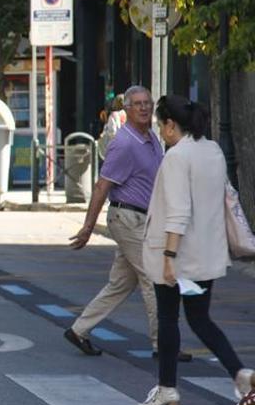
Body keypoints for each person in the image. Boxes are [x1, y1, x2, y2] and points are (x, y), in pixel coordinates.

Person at [136, 95, 252, 405]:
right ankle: (239, 372)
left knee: (168, 319)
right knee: (200, 318)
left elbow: (178, 211)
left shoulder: (177, 157)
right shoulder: (212, 150)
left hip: (176, 255)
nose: (160, 132)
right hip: (207, 255)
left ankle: (167, 389)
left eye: (161, 125)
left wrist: (169, 257)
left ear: (172, 125)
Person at [65, 86, 187, 361]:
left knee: (120, 283)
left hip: (144, 218)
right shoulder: (125, 143)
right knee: (153, 278)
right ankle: (163, 345)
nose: (144, 108)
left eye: (147, 103)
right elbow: (101, 186)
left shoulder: (152, 138)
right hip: (128, 218)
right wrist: (87, 227)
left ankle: (78, 330)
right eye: (138, 104)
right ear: (127, 109)